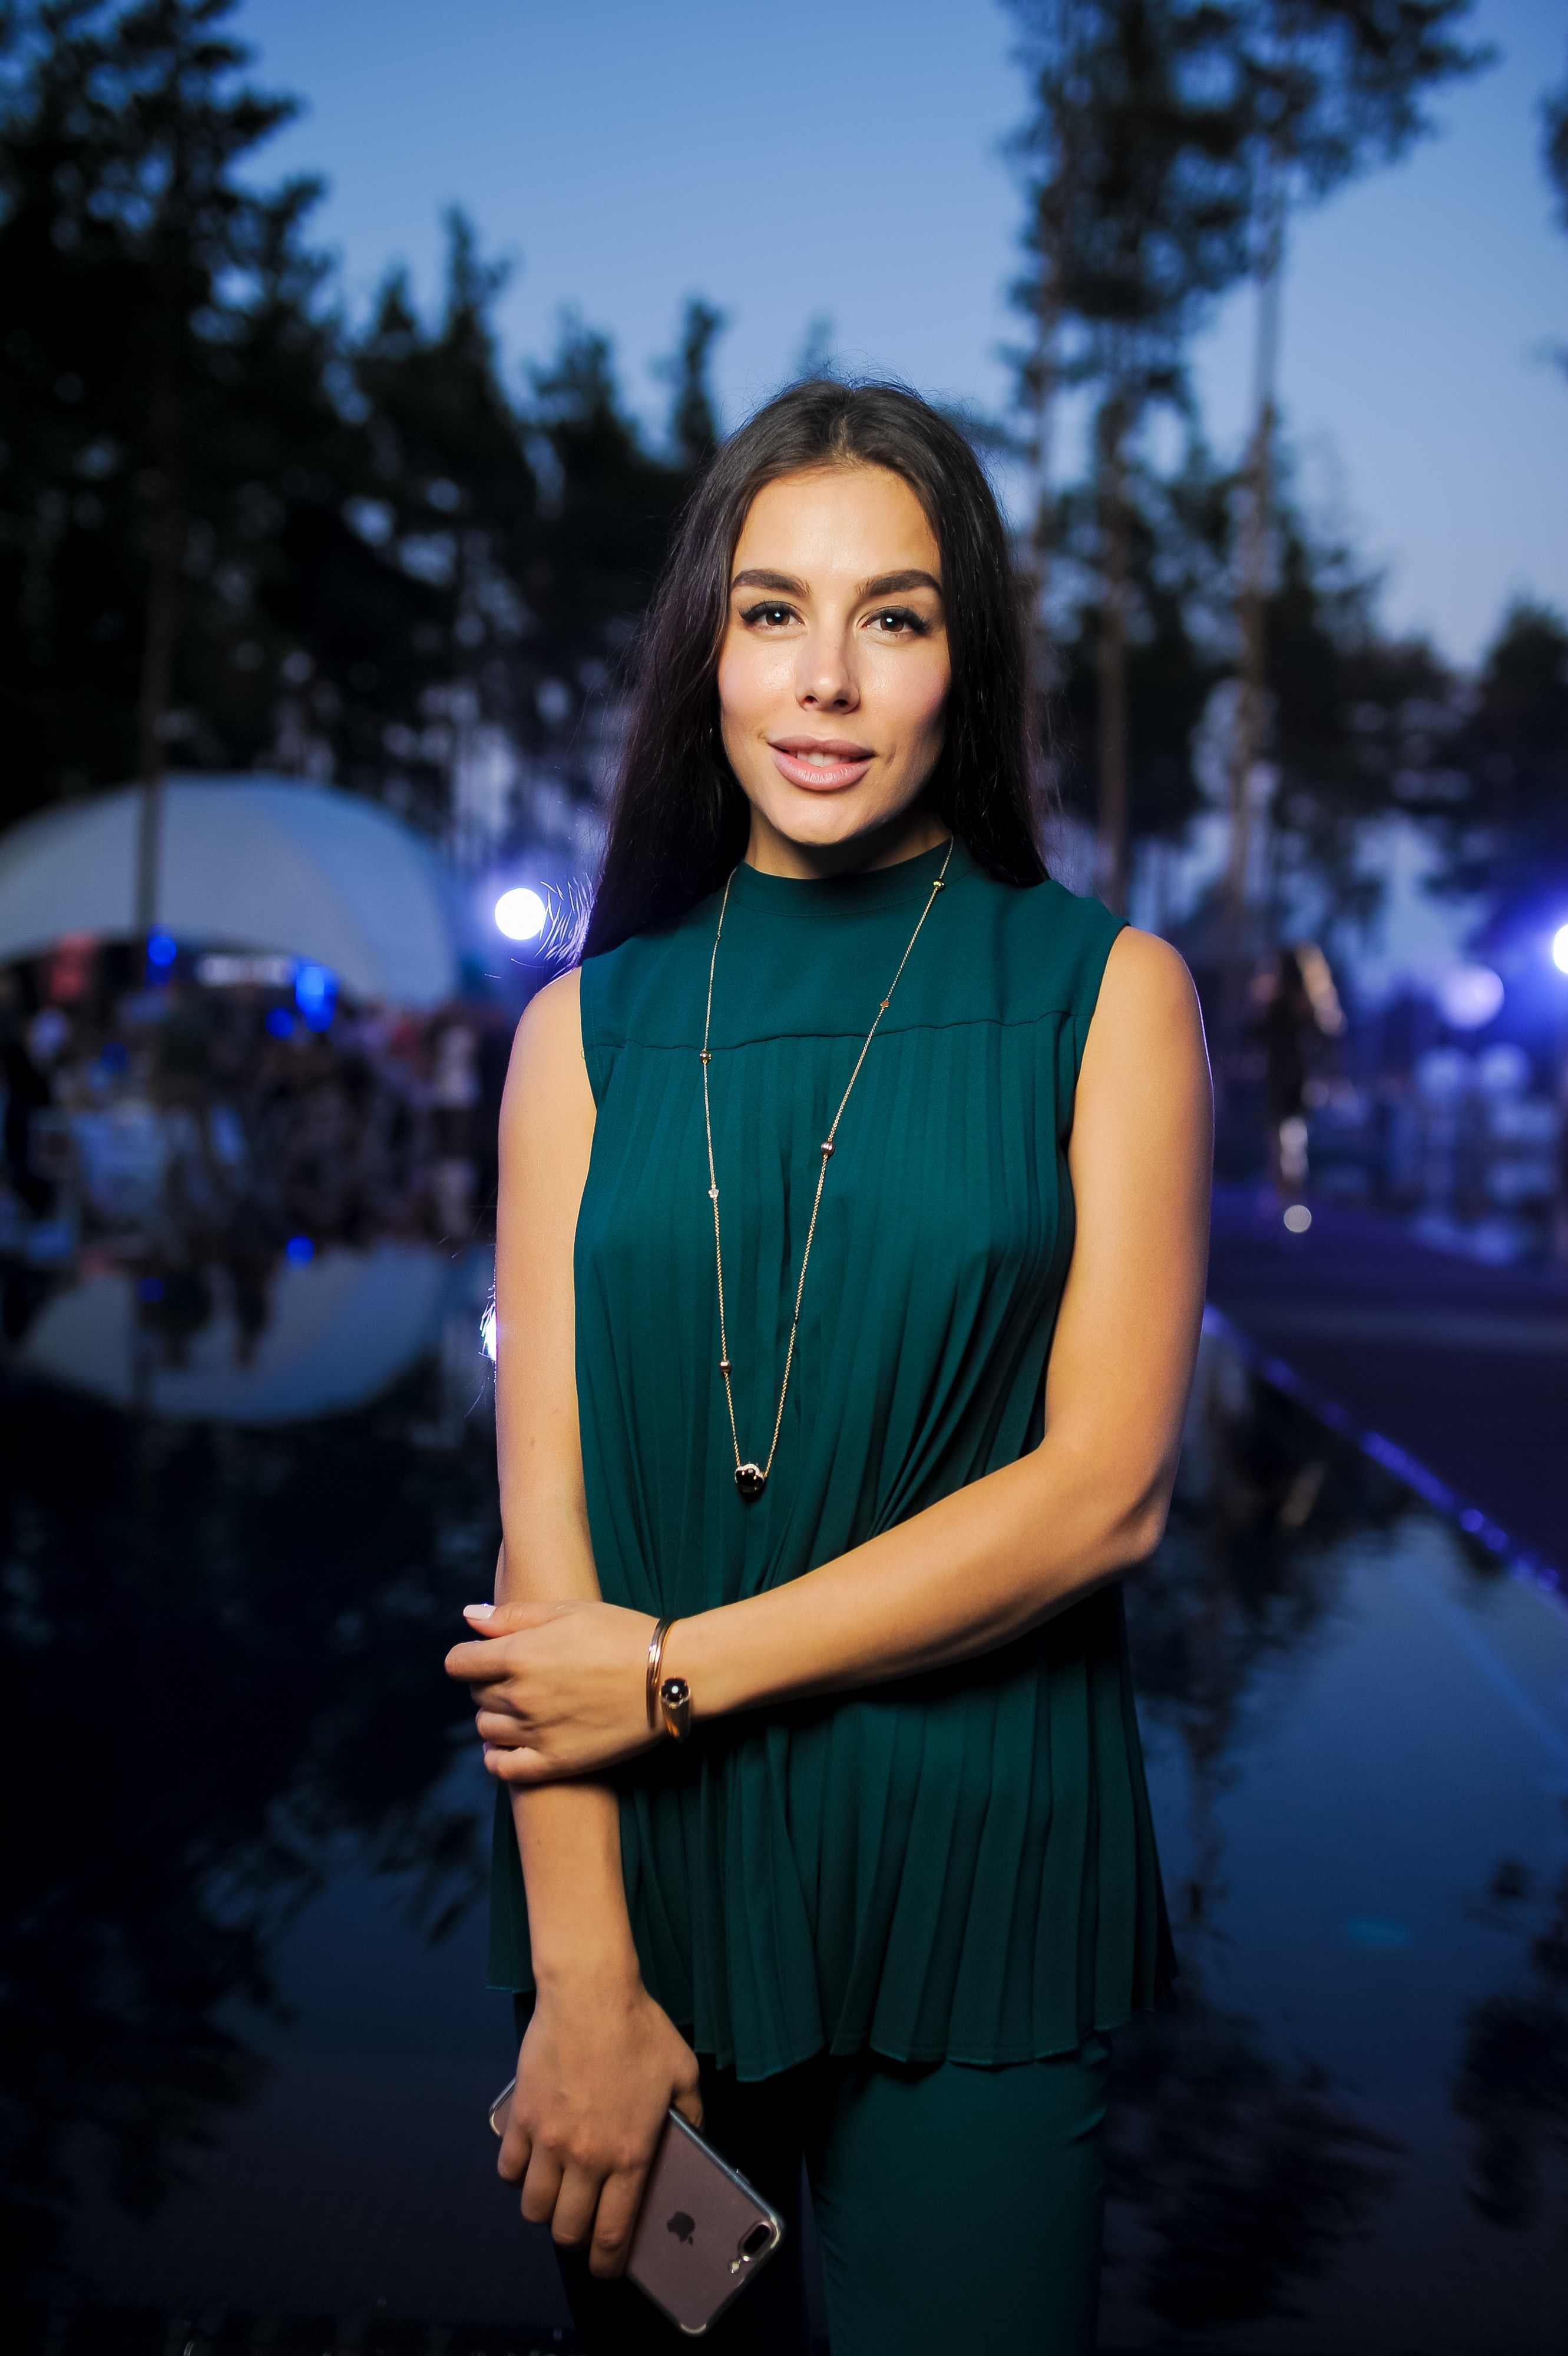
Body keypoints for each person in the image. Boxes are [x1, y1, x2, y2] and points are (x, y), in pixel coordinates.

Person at [445, 380, 1212, 2355]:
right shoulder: (582, 1037)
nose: (828, 681)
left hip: (983, 1889)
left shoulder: (1107, 997)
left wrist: (672, 1673)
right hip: (645, 1909)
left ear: (971, 659)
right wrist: (583, 1980)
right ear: (707, 650)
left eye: (896, 616)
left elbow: (1103, 1494)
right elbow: (545, 1542)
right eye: (773, 611)